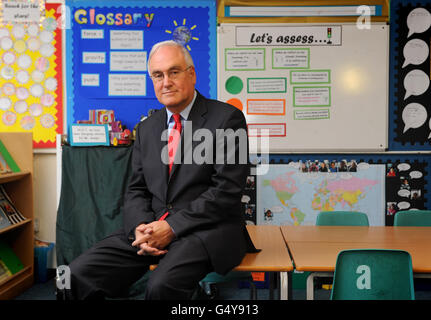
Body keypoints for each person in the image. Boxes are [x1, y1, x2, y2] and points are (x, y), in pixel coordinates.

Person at [67, 40, 258, 300]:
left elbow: (226, 192)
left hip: (207, 230)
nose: (165, 82)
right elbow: (136, 189)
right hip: (151, 228)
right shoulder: (147, 127)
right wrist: (140, 227)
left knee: (162, 286)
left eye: (174, 72)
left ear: (191, 74)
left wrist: (171, 227)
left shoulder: (227, 119)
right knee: (73, 276)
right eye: (158, 75)